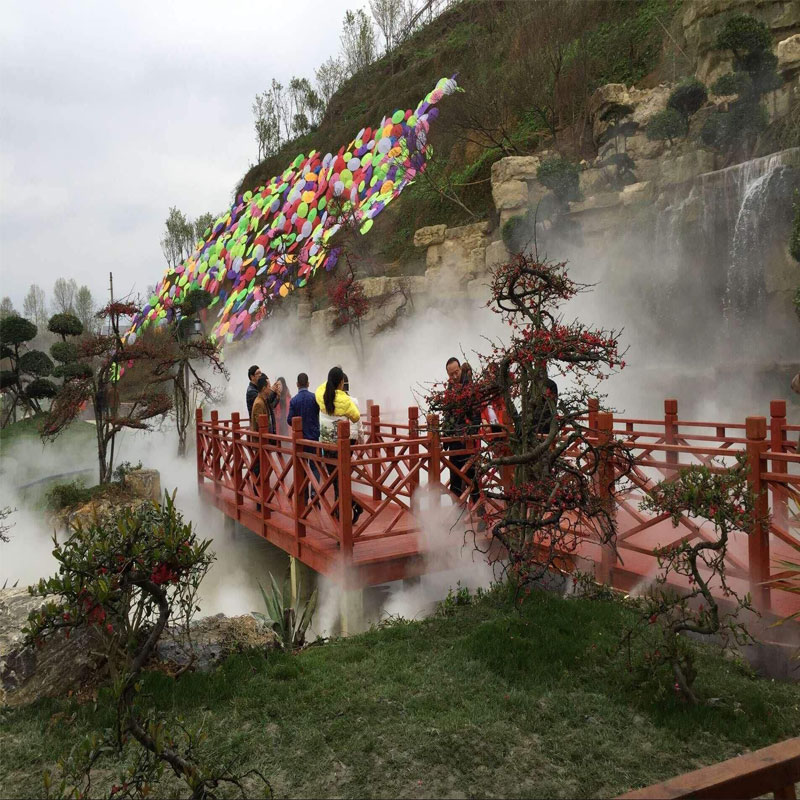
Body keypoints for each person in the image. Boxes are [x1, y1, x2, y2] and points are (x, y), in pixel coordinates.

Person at [316, 366, 363, 523]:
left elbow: (322, 386)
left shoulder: (321, 395)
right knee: (340, 480)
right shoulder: (347, 402)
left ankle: (341, 515)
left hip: (327, 445)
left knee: (336, 480)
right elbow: (356, 418)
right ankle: (350, 508)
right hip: (343, 445)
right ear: (342, 382)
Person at [444, 357, 481, 506]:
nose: (454, 376)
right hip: (454, 443)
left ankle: (480, 514)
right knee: (455, 483)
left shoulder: (470, 388)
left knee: (472, 481)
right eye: (451, 374)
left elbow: (476, 415)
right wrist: (445, 435)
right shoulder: (450, 389)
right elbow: (447, 415)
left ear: (461, 369)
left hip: (468, 442)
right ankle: (456, 520)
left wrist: (470, 433)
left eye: (456, 372)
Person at [287, 372, 321, 502]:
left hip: (301, 441)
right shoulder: (314, 398)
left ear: (297, 384)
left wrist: (298, 425)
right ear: (308, 384)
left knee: (302, 468)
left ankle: (305, 495)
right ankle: (315, 492)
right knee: (315, 467)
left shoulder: (294, 401)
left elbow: (289, 420)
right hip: (313, 437)